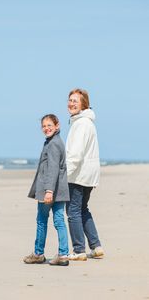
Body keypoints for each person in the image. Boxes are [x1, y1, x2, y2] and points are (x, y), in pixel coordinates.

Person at [23, 114, 70, 266]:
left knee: (43, 221)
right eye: (44, 126)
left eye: (49, 125)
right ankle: (63, 254)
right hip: (60, 190)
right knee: (58, 221)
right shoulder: (53, 142)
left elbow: (53, 169)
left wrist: (49, 191)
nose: (46, 128)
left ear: (57, 125)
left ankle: (39, 253)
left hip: (50, 191)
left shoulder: (53, 144)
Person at [66, 88, 104, 261]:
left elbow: (76, 154)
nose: (71, 103)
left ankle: (79, 250)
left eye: (76, 100)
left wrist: (65, 173)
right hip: (89, 175)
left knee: (73, 210)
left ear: (84, 104)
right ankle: (96, 247)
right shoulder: (86, 122)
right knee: (82, 209)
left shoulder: (82, 124)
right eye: (70, 100)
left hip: (79, 175)